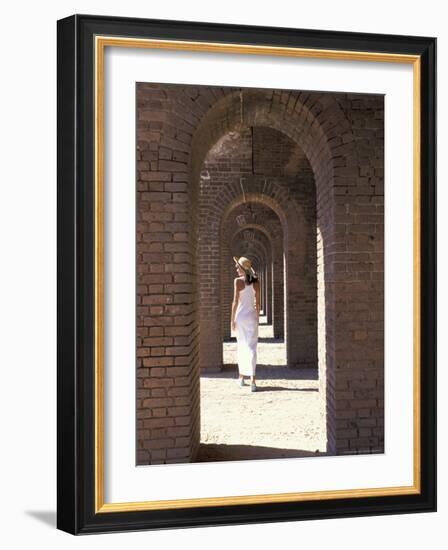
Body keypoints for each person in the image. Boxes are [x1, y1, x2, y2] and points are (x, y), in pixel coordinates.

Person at [231, 256, 260, 392]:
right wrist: (257, 317)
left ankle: (242, 377)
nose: (236, 269)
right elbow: (258, 303)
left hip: (241, 317)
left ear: (243, 268)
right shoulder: (256, 282)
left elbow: (235, 302)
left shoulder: (237, 282)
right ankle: (253, 380)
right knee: (252, 347)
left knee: (241, 345)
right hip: (252, 316)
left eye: (238, 267)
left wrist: (232, 320)